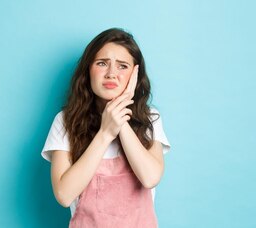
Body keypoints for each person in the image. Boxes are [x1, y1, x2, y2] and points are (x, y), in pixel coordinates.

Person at [41, 28, 170, 227]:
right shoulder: (66, 121)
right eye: (102, 63)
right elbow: (64, 195)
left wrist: (120, 120)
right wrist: (105, 133)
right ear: (88, 70)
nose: (111, 74)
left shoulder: (150, 118)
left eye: (122, 66)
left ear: (135, 74)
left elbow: (150, 177)